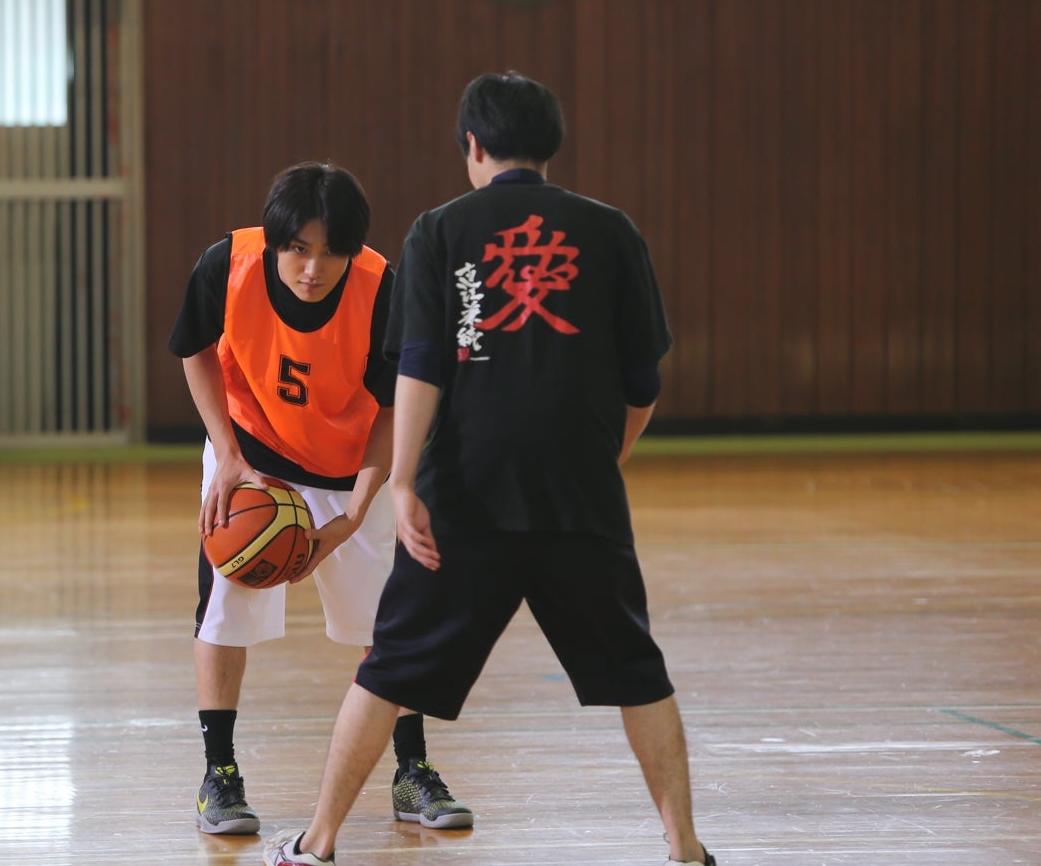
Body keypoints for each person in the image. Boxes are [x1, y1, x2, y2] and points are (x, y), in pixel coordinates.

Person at [263, 73, 717, 866]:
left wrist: (402, 481)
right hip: (580, 498)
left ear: (471, 145)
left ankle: (317, 843)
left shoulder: (439, 229)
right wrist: (604, 462)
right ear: (549, 146)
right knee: (638, 673)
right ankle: (685, 851)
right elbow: (642, 383)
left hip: (461, 501)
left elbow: (422, 366)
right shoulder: (612, 231)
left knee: (388, 670)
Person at [170, 161, 473, 837]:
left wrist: (356, 511)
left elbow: (396, 408)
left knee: (389, 626)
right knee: (223, 608)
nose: (313, 267)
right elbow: (191, 347)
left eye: (331, 250)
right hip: (251, 463)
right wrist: (226, 454)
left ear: (354, 247)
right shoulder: (228, 262)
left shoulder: (380, 287)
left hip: (348, 463)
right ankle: (218, 775)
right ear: (276, 239)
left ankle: (411, 769)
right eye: (298, 248)